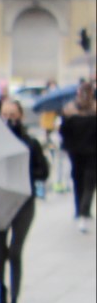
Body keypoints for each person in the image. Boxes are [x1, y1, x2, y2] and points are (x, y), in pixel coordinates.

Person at [0, 100, 49, 303]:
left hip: (23, 202)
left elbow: (43, 171)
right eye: (5, 115)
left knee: (15, 252)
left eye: (13, 115)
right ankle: (1, 288)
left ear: (20, 116)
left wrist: (25, 173)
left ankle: (14, 302)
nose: (9, 119)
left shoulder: (30, 143)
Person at [60, 81, 97, 233]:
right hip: (91, 152)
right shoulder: (94, 111)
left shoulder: (70, 112)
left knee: (79, 179)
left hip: (76, 151)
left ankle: (80, 209)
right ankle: (83, 209)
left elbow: (63, 132)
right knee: (89, 182)